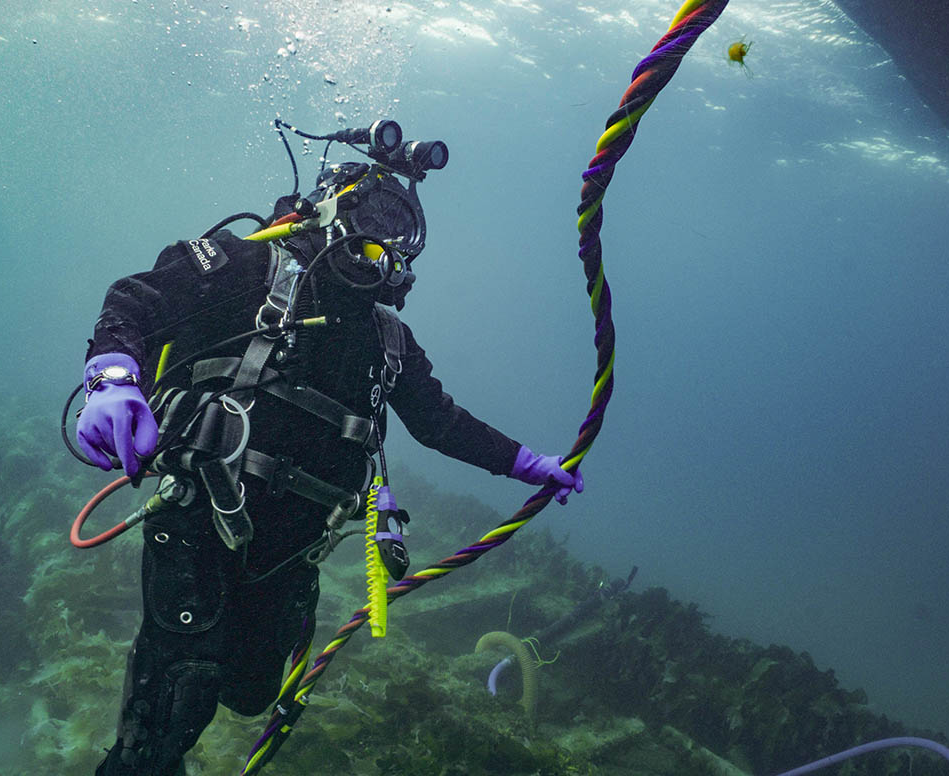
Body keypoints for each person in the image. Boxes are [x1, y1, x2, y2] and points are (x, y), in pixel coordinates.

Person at [73, 120, 582, 776]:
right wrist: (112, 378)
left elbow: (440, 422)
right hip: (201, 515)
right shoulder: (248, 265)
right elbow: (136, 299)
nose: (384, 249)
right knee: (180, 693)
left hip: (294, 550)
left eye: (399, 237)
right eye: (373, 222)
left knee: (252, 693)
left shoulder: (388, 340)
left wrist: (526, 463)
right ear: (332, 209)